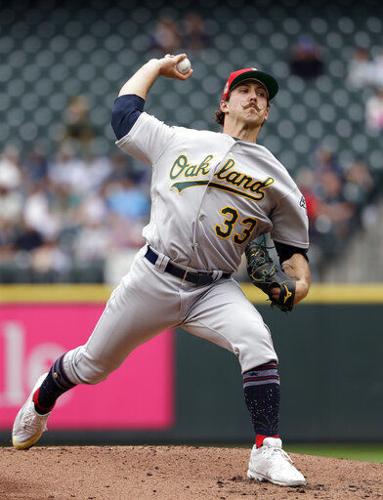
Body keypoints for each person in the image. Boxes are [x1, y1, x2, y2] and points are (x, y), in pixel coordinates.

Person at [12, 54, 311, 487]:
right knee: (93, 365)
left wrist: (301, 279)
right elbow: (123, 114)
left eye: (262, 94)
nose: (254, 97)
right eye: (245, 90)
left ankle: (267, 451)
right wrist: (155, 65)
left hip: (214, 289)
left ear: (267, 112)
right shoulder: (178, 140)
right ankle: (42, 399)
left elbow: (292, 247)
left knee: (257, 341)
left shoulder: (277, 177)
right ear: (224, 103)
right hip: (154, 277)